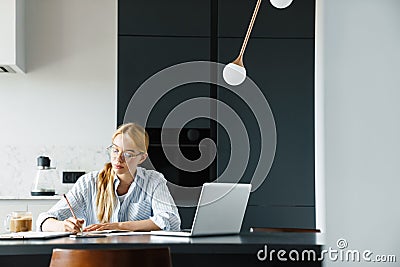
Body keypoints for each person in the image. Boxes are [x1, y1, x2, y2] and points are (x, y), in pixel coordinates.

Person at [36, 123, 181, 233]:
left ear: (142, 158)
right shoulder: (89, 183)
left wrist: (118, 226)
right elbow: (43, 220)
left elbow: (171, 220)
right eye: (115, 150)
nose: (118, 159)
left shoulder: (153, 181)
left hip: (138, 258)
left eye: (128, 154)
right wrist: (63, 226)